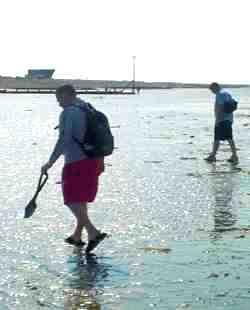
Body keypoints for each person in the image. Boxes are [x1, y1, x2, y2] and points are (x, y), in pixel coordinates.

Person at [41, 84, 107, 253]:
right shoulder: (87, 108)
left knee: (71, 200)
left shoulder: (69, 112)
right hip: (94, 160)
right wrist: (101, 162)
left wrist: (50, 162)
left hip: (77, 162)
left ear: (67, 96)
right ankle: (77, 235)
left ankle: (93, 232)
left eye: (59, 99)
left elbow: (64, 139)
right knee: (80, 199)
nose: (58, 103)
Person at [204, 82, 239, 164]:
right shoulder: (227, 93)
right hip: (229, 119)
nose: (212, 92)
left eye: (212, 90)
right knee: (221, 138)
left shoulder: (220, 94)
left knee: (227, 138)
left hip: (222, 120)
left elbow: (220, 108)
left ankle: (234, 156)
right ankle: (213, 155)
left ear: (215, 87)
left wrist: (217, 120)